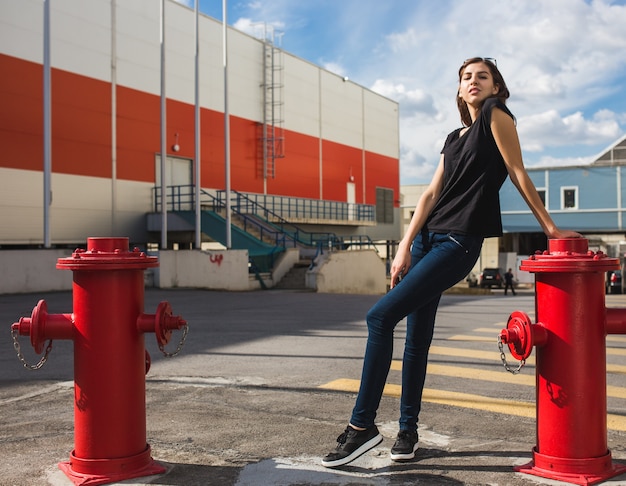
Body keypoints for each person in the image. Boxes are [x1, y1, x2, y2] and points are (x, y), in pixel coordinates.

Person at [321, 57, 582, 468]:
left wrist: (550, 229)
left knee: (379, 317)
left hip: (458, 242)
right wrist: (405, 245)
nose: (473, 82)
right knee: (416, 340)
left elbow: (517, 172)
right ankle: (407, 432)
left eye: (483, 76)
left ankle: (360, 428)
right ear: (459, 90)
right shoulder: (454, 136)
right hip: (425, 241)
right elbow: (427, 195)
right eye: (466, 77)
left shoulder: (497, 116)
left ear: (496, 87)